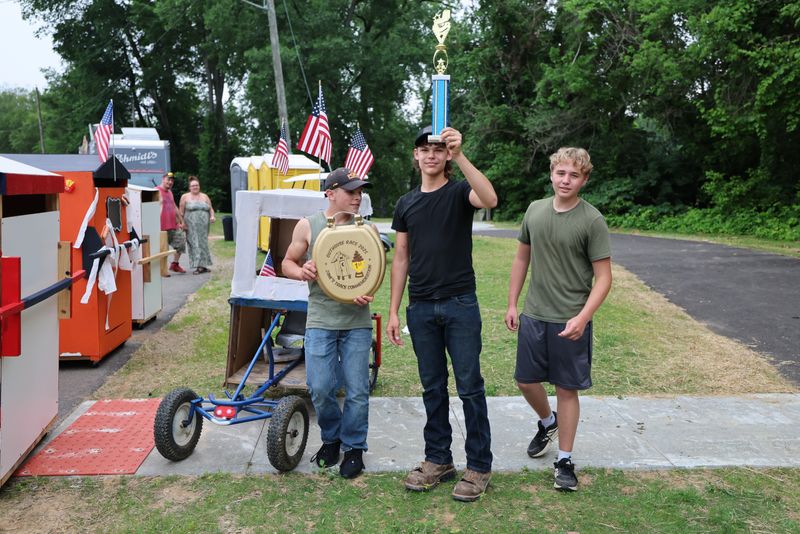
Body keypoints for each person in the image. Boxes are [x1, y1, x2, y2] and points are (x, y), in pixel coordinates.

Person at [387, 125, 498, 502]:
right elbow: (401, 257)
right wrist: (393, 312)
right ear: (415, 156)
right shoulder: (406, 203)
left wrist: (461, 154)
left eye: (438, 148)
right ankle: (438, 460)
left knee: (469, 387)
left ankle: (479, 465)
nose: (431, 154)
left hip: (459, 304)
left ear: (446, 155)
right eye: (425, 148)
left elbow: (490, 199)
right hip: (420, 308)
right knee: (432, 387)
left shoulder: (458, 193)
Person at [504, 147, 612, 492]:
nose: (566, 180)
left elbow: (604, 278)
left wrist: (583, 317)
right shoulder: (534, 211)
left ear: (585, 179)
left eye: (574, 175)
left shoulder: (591, 220)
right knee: (525, 380)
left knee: (567, 389)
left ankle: (564, 460)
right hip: (535, 314)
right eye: (561, 173)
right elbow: (522, 260)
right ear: (551, 174)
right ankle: (546, 422)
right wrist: (511, 303)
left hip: (570, 319)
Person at [282, 167, 378, 479]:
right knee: (321, 387)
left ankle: (353, 448)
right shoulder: (309, 225)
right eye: (351, 191)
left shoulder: (366, 229)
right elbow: (286, 262)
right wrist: (302, 272)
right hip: (321, 318)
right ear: (330, 193)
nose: (357, 196)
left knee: (357, 389)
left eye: (359, 191)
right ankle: (331, 439)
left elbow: (372, 270)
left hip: (356, 321)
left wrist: (368, 291)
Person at [179, 176, 215, 274]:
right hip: (191, 226)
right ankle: (198, 266)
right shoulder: (185, 197)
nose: (195, 187)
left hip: (204, 225)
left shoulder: (205, 196)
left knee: (203, 244)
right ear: (190, 187)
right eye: (193, 185)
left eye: (197, 185)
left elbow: (210, 208)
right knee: (194, 244)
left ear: (199, 186)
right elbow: (181, 212)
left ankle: (203, 265)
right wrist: (182, 223)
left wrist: (212, 216)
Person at [156, 172, 186, 275]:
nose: (170, 182)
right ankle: (162, 270)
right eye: (168, 179)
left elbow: (174, 206)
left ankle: (175, 264)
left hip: (173, 225)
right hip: (161, 226)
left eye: (172, 180)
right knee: (163, 249)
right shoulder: (156, 191)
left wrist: (181, 221)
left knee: (181, 242)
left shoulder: (170, 192)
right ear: (163, 179)